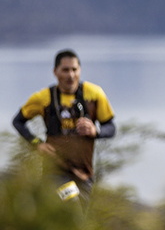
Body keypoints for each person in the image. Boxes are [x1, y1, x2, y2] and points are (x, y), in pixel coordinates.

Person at [12, 49, 116, 203]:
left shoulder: (94, 94)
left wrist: (95, 131)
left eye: (74, 70)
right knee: (71, 205)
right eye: (65, 70)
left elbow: (111, 127)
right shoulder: (43, 98)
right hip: (55, 171)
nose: (71, 75)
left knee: (79, 223)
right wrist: (37, 144)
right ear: (55, 72)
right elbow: (18, 121)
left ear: (80, 70)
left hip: (84, 173)